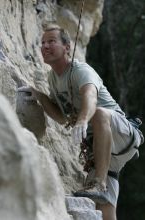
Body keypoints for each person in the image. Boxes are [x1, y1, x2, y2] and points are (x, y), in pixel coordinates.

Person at [17, 24, 144, 220]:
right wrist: (39, 96)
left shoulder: (80, 70)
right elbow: (61, 117)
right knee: (102, 206)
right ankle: (101, 183)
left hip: (121, 132)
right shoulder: (53, 79)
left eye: (51, 41)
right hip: (102, 148)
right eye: (42, 42)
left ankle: (100, 182)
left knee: (101, 114)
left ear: (67, 47)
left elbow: (90, 95)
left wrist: (83, 120)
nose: (45, 46)